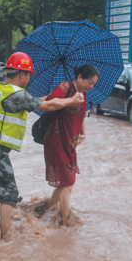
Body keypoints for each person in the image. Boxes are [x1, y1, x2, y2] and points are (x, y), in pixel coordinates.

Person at [0, 52, 85, 238]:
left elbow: (36, 101)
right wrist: (71, 100)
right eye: (28, 74)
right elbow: (47, 106)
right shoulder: (16, 95)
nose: (30, 78)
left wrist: (53, 96)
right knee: (9, 195)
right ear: (21, 74)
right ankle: (6, 235)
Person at [43, 64, 99, 226]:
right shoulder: (65, 87)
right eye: (90, 82)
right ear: (79, 77)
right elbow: (50, 103)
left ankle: (49, 210)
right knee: (68, 183)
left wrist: (83, 133)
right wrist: (71, 100)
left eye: (93, 84)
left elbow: (81, 115)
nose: (91, 86)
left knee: (63, 182)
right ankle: (65, 223)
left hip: (70, 141)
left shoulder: (83, 93)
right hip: (56, 140)